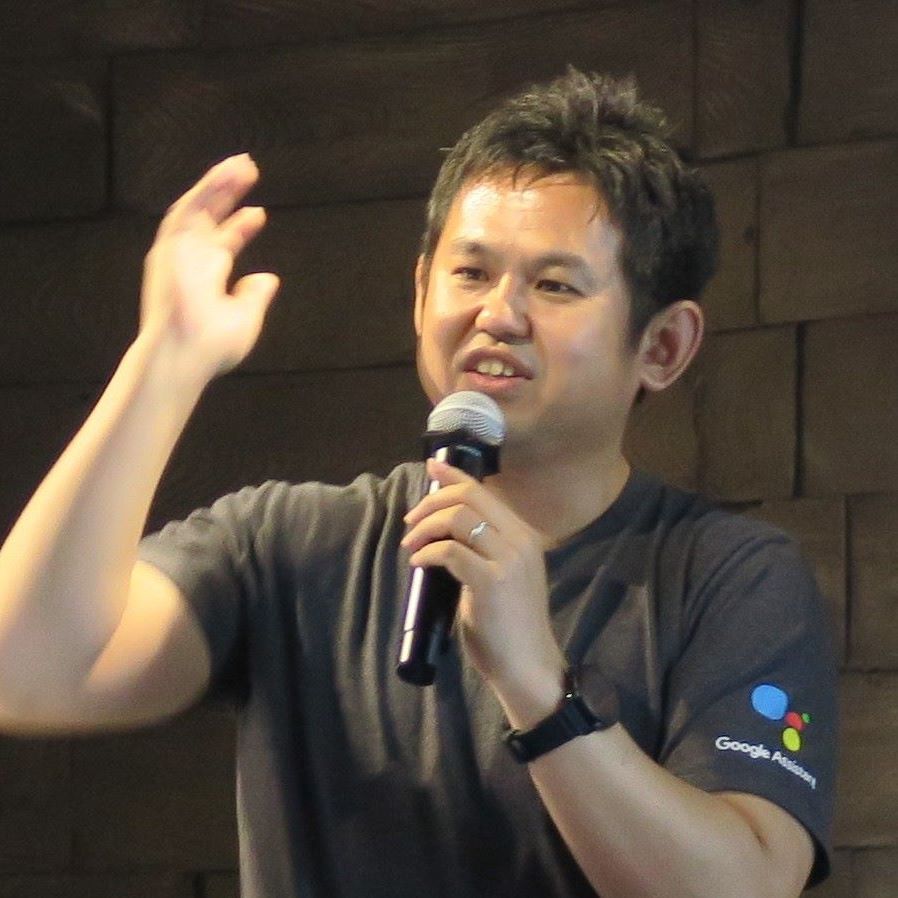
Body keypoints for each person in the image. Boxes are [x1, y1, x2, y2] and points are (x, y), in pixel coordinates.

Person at [0, 70, 836, 897]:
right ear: (419, 293)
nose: (497, 314)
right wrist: (165, 362)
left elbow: (746, 884)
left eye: (553, 285)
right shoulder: (287, 544)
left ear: (662, 346)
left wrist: (538, 688)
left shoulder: (731, 579)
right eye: (470, 274)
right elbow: (23, 668)